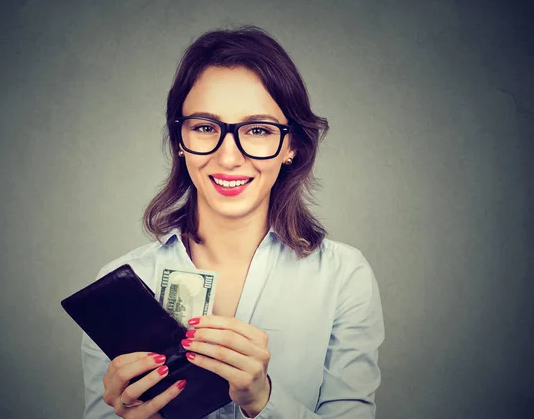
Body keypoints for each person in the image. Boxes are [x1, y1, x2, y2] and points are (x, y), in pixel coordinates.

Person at [81, 25, 385, 419]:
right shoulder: (120, 286)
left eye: (257, 130)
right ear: (179, 139)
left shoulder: (344, 276)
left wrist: (263, 400)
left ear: (291, 146)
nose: (228, 158)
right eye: (206, 128)